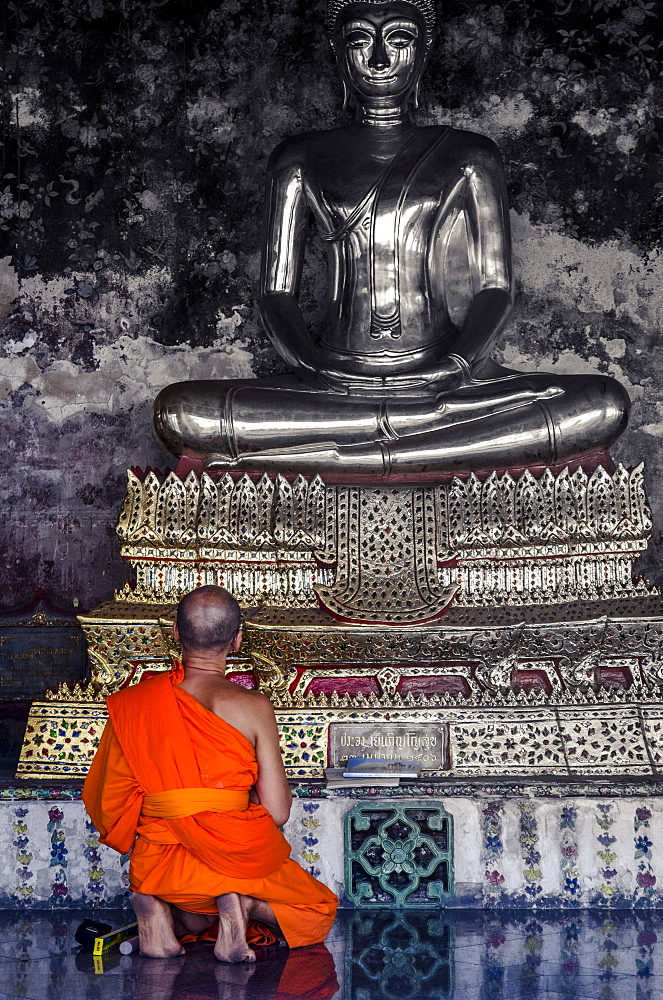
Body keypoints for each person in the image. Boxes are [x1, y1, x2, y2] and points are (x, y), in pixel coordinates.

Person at [152, 0, 628, 477]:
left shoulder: (469, 154)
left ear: (422, 55)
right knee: (180, 412)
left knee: (602, 405)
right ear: (339, 56)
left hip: (443, 378)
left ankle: (351, 452)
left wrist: (456, 368)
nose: (379, 59)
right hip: (333, 381)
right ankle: (422, 438)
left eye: (398, 40)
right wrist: (316, 369)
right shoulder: (299, 157)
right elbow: (277, 292)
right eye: (360, 42)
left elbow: (496, 287)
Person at [82, 585, 338, 961]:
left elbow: (111, 801)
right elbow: (278, 811)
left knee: (195, 922)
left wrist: (174, 805)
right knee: (317, 913)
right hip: (234, 853)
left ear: (175, 633)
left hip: (159, 865)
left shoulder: (136, 705)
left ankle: (158, 910)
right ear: (237, 640)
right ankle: (242, 903)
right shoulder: (253, 707)